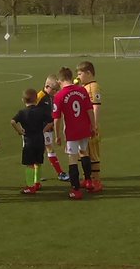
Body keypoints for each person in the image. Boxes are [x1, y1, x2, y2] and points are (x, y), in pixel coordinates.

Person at [52, 68, 95, 200]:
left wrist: (57, 135)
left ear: (60, 81)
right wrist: (93, 126)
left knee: (73, 158)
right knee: (84, 152)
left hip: (72, 131)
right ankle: (88, 181)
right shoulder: (82, 90)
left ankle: (75, 189)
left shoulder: (59, 96)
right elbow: (90, 110)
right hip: (84, 128)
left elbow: (57, 118)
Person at [11, 87, 52, 195]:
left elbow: (12, 121)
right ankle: (37, 183)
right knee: (38, 162)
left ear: (23, 100)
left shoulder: (22, 112)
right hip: (40, 140)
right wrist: (43, 130)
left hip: (29, 142)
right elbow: (51, 122)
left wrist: (19, 131)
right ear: (36, 99)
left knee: (29, 164)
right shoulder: (41, 111)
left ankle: (30, 186)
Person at [76, 60, 103, 192]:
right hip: (84, 126)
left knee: (93, 154)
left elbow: (96, 106)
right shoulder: (85, 86)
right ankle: (87, 178)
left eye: (80, 74)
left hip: (90, 127)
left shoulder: (93, 87)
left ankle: (96, 181)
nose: (78, 77)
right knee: (84, 153)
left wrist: (95, 125)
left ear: (88, 73)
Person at [36, 75, 69, 181]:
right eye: (54, 90)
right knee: (48, 149)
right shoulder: (40, 96)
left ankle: (37, 176)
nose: (56, 92)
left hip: (48, 128)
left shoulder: (51, 96)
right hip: (42, 128)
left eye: (57, 90)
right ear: (47, 86)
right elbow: (31, 110)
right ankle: (60, 173)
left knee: (43, 150)